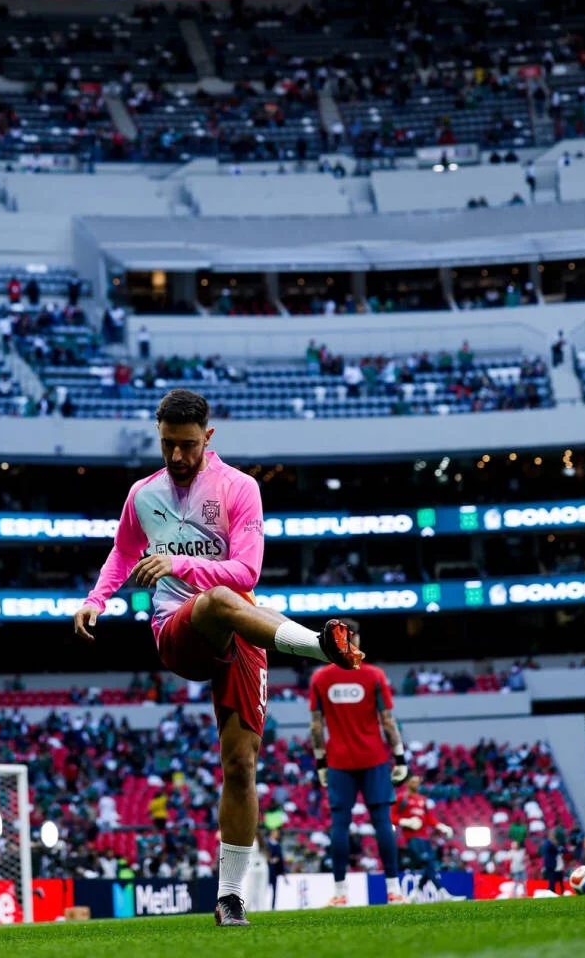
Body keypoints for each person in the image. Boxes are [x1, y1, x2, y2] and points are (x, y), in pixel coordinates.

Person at [74, 388, 360, 927]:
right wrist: (95, 600)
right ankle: (320, 647)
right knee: (217, 602)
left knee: (241, 765)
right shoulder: (143, 495)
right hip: (177, 631)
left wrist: (178, 561)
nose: (177, 457)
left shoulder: (240, 489)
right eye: (167, 446)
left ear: (208, 437)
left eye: (186, 446)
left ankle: (229, 898)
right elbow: (122, 549)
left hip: (239, 625)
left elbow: (247, 572)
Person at [309, 624, 408, 907]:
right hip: (374, 759)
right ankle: (394, 891)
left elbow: (316, 726)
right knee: (382, 824)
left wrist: (320, 763)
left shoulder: (320, 678)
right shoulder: (374, 675)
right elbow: (387, 721)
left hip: (339, 761)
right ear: (356, 640)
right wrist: (399, 757)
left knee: (340, 825)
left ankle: (340, 893)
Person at [391, 775, 461, 902]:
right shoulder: (402, 798)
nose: (416, 784)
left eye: (417, 782)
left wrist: (441, 826)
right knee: (427, 862)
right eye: (413, 781)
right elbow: (391, 817)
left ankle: (415, 893)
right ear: (407, 783)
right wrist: (406, 822)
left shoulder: (423, 800)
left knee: (430, 865)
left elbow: (429, 818)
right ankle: (443, 893)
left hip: (425, 837)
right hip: (412, 837)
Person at [265, 828, 285, 909]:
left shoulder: (278, 845)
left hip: (275, 871)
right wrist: (271, 860)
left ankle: (273, 906)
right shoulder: (266, 844)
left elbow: (280, 859)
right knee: (265, 888)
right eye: (275, 833)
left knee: (274, 889)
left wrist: (282, 871)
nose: (277, 835)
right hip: (267, 870)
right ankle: (263, 905)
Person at [541, 828, 565, 894]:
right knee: (552, 879)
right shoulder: (548, 843)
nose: (553, 836)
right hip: (550, 864)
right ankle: (551, 891)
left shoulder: (549, 843)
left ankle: (555, 890)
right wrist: (557, 846)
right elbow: (557, 850)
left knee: (555, 879)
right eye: (552, 835)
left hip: (553, 864)